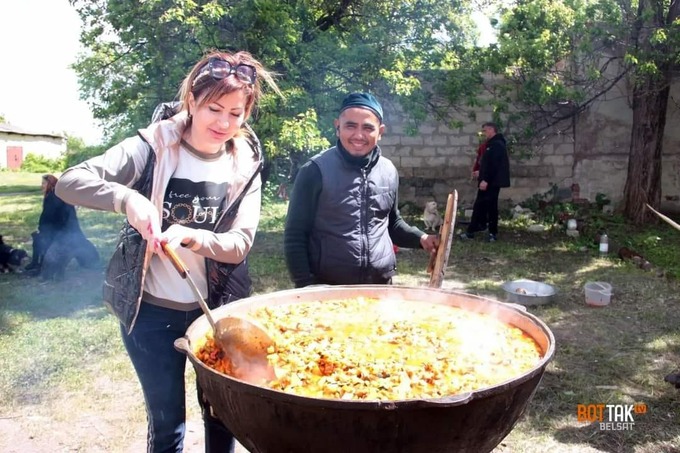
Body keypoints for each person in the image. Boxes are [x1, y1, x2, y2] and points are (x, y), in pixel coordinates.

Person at [55, 50, 279, 453]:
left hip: (216, 314)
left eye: (235, 112)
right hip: (151, 314)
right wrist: (127, 199)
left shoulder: (245, 162)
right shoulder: (152, 145)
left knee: (223, 416)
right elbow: (70, 182)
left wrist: (193, 237)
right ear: (191, 101)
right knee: (167, 426)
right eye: (214, 108)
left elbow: (239, 245)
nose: (224, 123)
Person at [284, 92, 439, 287]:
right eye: (350, 126)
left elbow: (391, 223)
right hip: (328, 287)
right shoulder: (315, 171)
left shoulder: (388, 170)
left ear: (380, 131)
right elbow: (295, 235)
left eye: (368, 128)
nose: (358, 135)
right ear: (337, 127)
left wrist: (422, 238)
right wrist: (306, 286)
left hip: (380, 285)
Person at [25, 174, 99, 278]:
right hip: (65, 230)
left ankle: (40, 266)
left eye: (43, 183)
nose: (41, 186)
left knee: (43, 241)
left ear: (50, 184)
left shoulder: (53, 197)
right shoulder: (56, 195)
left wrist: (44, 230)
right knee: (39, 239)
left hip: (64, 231)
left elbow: (49, 216)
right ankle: (36, 264)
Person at [459, 122, 510, 242]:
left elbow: (494, 166)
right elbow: (486, 164)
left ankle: (488, 233)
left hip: (490, 183)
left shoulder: (497, 145)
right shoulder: (491, 144)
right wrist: (480, 173)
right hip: (487, 181)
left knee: (488, 206)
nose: (484, 133)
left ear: (492, 129)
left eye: (485, 131)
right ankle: (478, 229)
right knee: (482, 206)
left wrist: (485, 179)